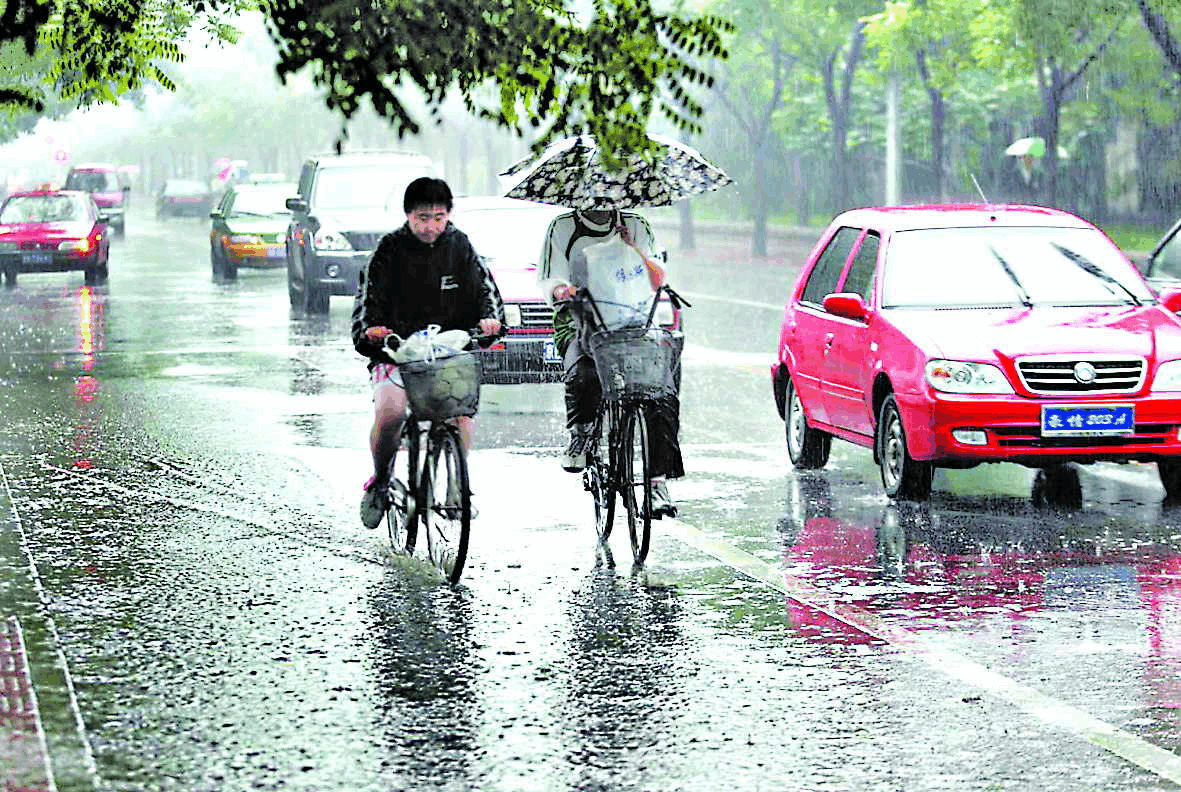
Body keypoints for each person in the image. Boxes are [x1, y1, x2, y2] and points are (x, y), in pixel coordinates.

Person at [352, 177, 505, 529]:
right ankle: (379, 480)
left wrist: (490, 321)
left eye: (438, 217)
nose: (431, 226)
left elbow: (486, 292)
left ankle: (456, 490)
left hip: (448, 350)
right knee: (389, 413)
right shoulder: (388, 249)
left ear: (449, 215)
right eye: (423, 217)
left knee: (461, 410)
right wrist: (372, 331)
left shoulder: (460, 245)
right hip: (397, 353)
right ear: (408, 216)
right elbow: (367, 305)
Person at [537, 206, 683, 518]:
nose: (601, 202)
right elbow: (551, 280)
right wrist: (563, 289)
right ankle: (582, 432)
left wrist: (633, 250)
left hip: (634, 322)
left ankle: (657, 481)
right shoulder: (562, 228)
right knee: (586, 372)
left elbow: (657, 279)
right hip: (581, 319)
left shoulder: (637, 225)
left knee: (662, 392)